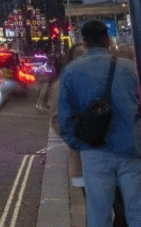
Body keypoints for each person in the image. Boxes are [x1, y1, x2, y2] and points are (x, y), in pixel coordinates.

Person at [57, 21, 141, 227]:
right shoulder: (129, 68)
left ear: (84, 41)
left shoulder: (72, 71)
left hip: (94, 152)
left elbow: (64, 118)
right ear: (107, 39)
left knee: (98, 213)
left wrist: (80, 145)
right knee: (136, 211)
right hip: (131, 148)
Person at [49, 43, 89, 189]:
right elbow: (57, 120)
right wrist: (78, 144)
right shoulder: (61, 85)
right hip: (82, 160)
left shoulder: (103, 79)